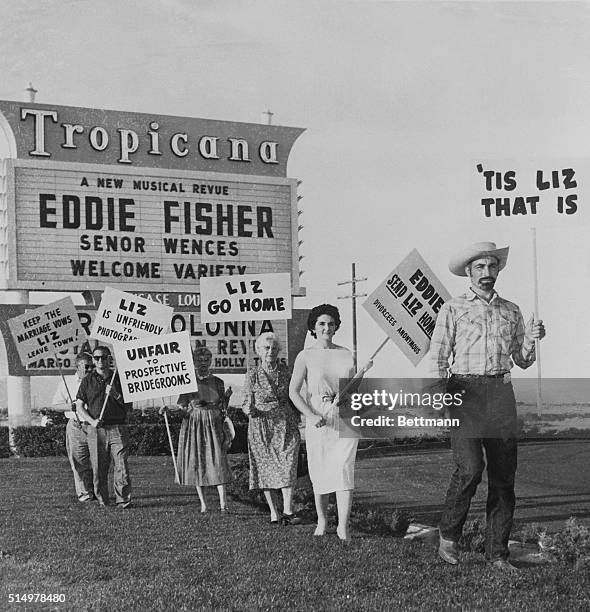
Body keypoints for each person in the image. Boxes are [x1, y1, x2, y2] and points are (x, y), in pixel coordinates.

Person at [430, 242, 546, 573]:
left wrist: (532, 339)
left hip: (501, 392)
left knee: (503, 477)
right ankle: (449, 535)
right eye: (479, 267)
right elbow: (438, 355)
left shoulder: (511, 310)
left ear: (498, 270)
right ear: (468, 272)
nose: (486, 273)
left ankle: (497, 554)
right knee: (469, 468)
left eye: (491, 267)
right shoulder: (452, 308)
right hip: (463, 391)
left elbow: (522, 360)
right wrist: (438, 396)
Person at [289, 304, 371, 541]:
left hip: (345, 415)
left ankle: (343, 526)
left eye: (331, 324)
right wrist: (311, 415)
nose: (327, 328)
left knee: (344, 468)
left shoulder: (346, 353)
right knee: (321, 469)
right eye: (322, 324)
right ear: (313, 327)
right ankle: (322, 521)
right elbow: (293, 392)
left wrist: (361, 373)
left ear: (336, 326)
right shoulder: (305, 356)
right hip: (319, 417)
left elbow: (351, 388)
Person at [242, 332, 301, 525]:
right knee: (265, 468)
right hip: (261, 425)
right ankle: (274, 512)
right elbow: (245, 402)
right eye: (266, 348)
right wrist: (248, 409)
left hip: (285, 423)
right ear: (258, 351)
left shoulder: (286, 371)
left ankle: (288, 509)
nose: (270, 352)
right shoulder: (252, 374)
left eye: (274, 348)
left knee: (288, 463)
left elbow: (295, 395)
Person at [174, 346, 233, 513]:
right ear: (194, 362)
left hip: (214, 424)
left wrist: (227, 398)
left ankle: (223, 504)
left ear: (211, 361)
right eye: (199, 360)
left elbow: (223, 408)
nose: (203, 364)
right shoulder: (187, 381)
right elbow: (182, 406)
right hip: (195, 425)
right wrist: (172, 410)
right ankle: (204, 504)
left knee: (218, 461)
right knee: (198, 462)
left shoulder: (218, 382)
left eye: (206, 360)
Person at [76, 345, 132, 509]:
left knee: (121, 464)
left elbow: (129, 406)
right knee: (99, 467)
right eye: (96, 358)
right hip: (96, 430)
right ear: (93, 360)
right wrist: (92, 421)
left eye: (103, 357)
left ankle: (123, 500)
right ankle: (103, 500)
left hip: (117, 427)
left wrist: (115, 394)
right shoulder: (88, 380)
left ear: (110, 359)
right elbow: (79, 405)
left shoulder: (120, 378)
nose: (100, 360)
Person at [52, 353, 94, 502]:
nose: (90, 369)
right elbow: (55, 405)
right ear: (77, 367)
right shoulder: (66, 383)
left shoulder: (97, 380)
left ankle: (96, 491)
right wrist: (71, 406)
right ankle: (85, 494)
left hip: (94, 426)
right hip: (76, 426)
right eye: (86, 367)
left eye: (92, 366)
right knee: (79, 461)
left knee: (98, 461)